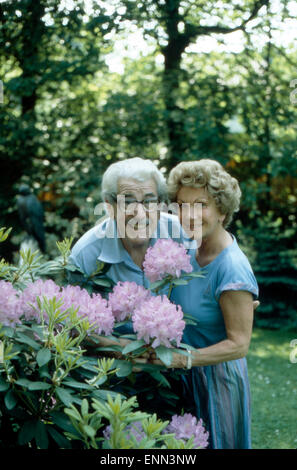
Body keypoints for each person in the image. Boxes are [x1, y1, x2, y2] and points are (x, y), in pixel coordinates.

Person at [148, 159, 259, 449]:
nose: (189, 215)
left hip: (216, 383)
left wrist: (183, 359)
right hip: (180, 378)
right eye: (182, 205)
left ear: (222, 210)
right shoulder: (187, 249)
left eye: (201, 204)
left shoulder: (232, 267)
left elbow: (239, 344)